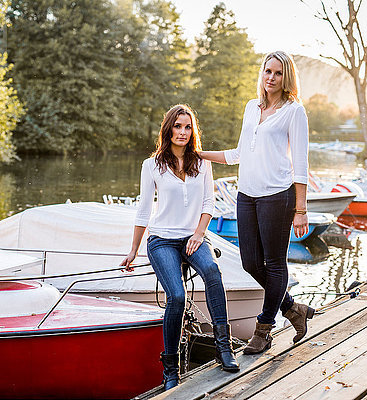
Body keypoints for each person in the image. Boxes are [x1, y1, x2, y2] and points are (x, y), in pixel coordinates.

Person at [200, 51, 315, 354]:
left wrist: (300, 210)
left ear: (286, 77)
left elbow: (301, 163)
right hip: (246, 195)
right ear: (261, 73)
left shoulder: (294, 112)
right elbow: (238, 154)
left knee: (275, 263)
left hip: (278, 195)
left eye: (278, 73)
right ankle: (293, 308)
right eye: (268, 71)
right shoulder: (252, 108)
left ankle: (264, 328)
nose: (271, 78)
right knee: (250, 262)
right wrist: (199, 154)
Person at [121, 104, 239, 391]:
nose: (182, 132)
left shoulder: (202, 163)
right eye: (177, 126)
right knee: (176, 295)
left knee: (212, 271)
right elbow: (143, 210)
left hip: (193, 237)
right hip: (161, 240)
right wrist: (134, 249)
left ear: (192, 131)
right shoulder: (152, 166)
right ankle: (170, 368)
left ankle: (224, 348)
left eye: (188, 127)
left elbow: (209, 204)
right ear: (168, 129)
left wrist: (199, 234)